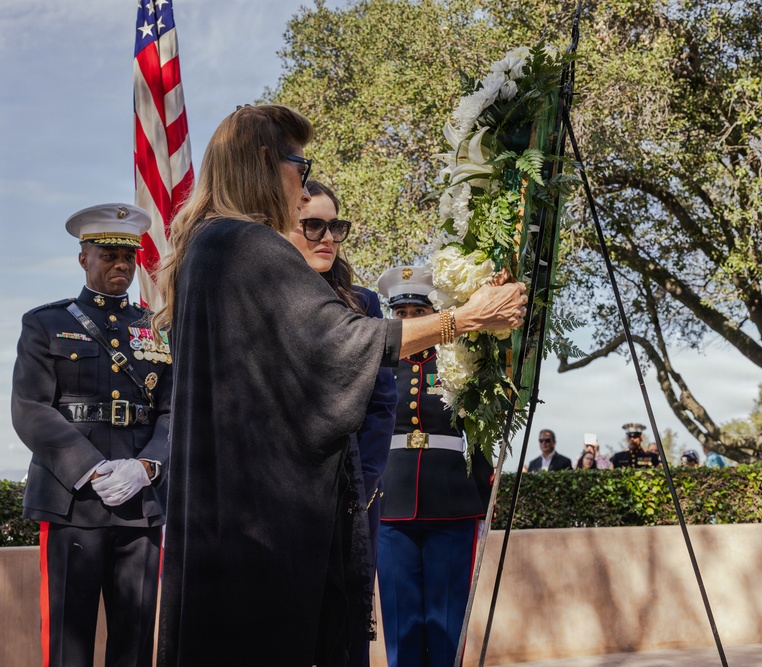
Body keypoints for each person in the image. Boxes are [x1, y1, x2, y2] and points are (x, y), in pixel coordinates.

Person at [153, 104, 527, 666]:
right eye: (298, 167)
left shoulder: (206, 249)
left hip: (224, 527)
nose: (303, 190)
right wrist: (464, 319)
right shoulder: (246, 246)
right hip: (261, 531)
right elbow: (341, 345)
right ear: (263, 162)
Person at [11, 203, 171, 667]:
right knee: (68, 639)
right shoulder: (45, 323)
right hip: (71, 499)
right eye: (108, 254)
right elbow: (30, 408)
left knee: (136, 638)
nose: (121, 264)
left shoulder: (156, 329)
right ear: (84, 258)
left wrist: (147, 465)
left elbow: (173, 408)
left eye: (128, 255)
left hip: (141, 500)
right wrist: (90, 466)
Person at [288, 179, 397, 666]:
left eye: (336, 226)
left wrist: (367, 480)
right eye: (313, 225)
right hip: (283, 489)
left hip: (352, 488)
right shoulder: (263, 298)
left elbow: (381, 401)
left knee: (345, 625)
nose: (327, 236)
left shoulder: (364, 304)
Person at [375, 265, 494, 667]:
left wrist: (483, 490)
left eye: (417, 312)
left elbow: (479, 431)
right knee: (400, 618)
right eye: (400, 313)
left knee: (445, 620)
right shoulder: (378, 364)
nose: (407, 320)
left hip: (451, 500)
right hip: (390, 499)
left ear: (434, 314)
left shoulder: (459, 359)